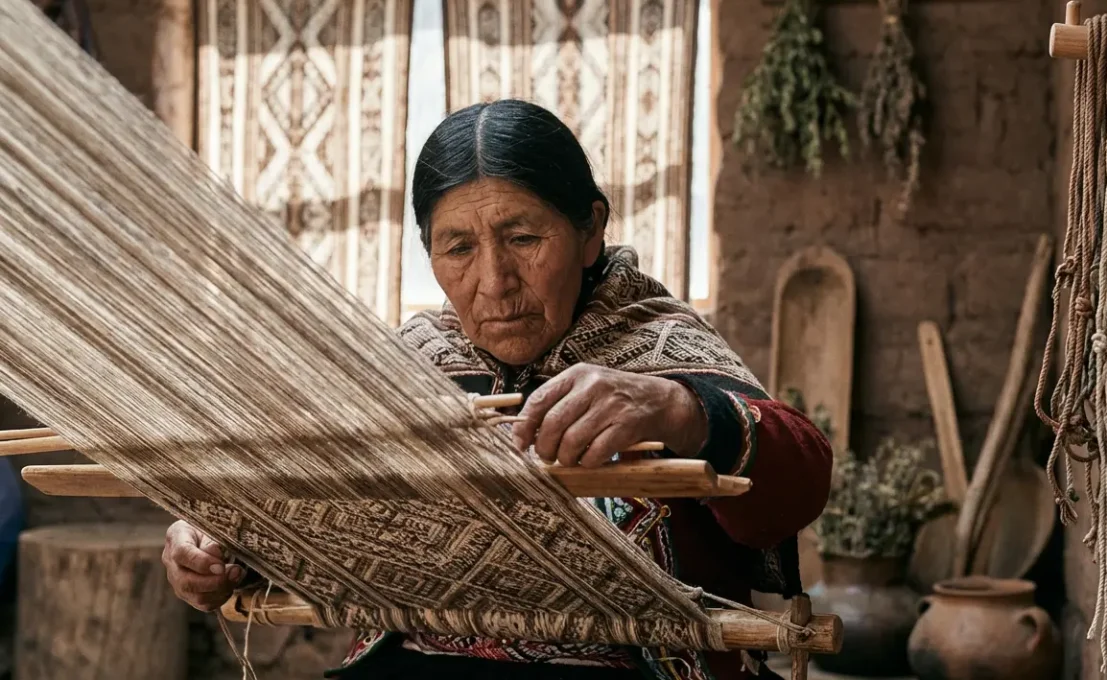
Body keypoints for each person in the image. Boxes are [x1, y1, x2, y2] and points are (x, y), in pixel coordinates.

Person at [160, 99, 833, 680]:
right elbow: (311, 517)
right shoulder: (407, 369)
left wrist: (683, 412)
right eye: (458, 249)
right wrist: (223, 547)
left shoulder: (659, 350)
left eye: (523, 237)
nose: (495, 281)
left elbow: (800, 478)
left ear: (590, 230)